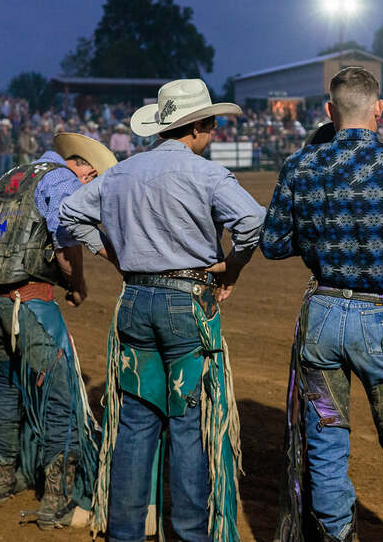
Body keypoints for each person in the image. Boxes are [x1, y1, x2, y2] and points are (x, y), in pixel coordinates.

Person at [59, 78, 264, 542]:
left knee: (134, 421)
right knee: (189, 423)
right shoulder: (208, 175)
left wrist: (112, 253)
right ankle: (190, 534)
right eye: (211, 125)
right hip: (187, 302)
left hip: (134, 301)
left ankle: (125, 532)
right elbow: (253, 223)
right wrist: (231, 267)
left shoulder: (119, 173)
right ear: (200, 126)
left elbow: (70, 214)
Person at [261, 67, 383, 542]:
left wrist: (319, 232)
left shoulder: (301, 166)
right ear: (379, 108)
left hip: (323, 313)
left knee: (325, 443)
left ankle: (337, 536)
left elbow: (272, 243)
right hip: (379, 321)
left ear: (329, 111)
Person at [0, 132, 117, 529]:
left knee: (4, 384)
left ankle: (1, 477)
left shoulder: (12, 176)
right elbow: (67, 237)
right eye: (94, 182)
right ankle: (56, 497)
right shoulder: (63, 179)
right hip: (29, 302)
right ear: (86, 169)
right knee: (60, 394)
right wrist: (76, 283)